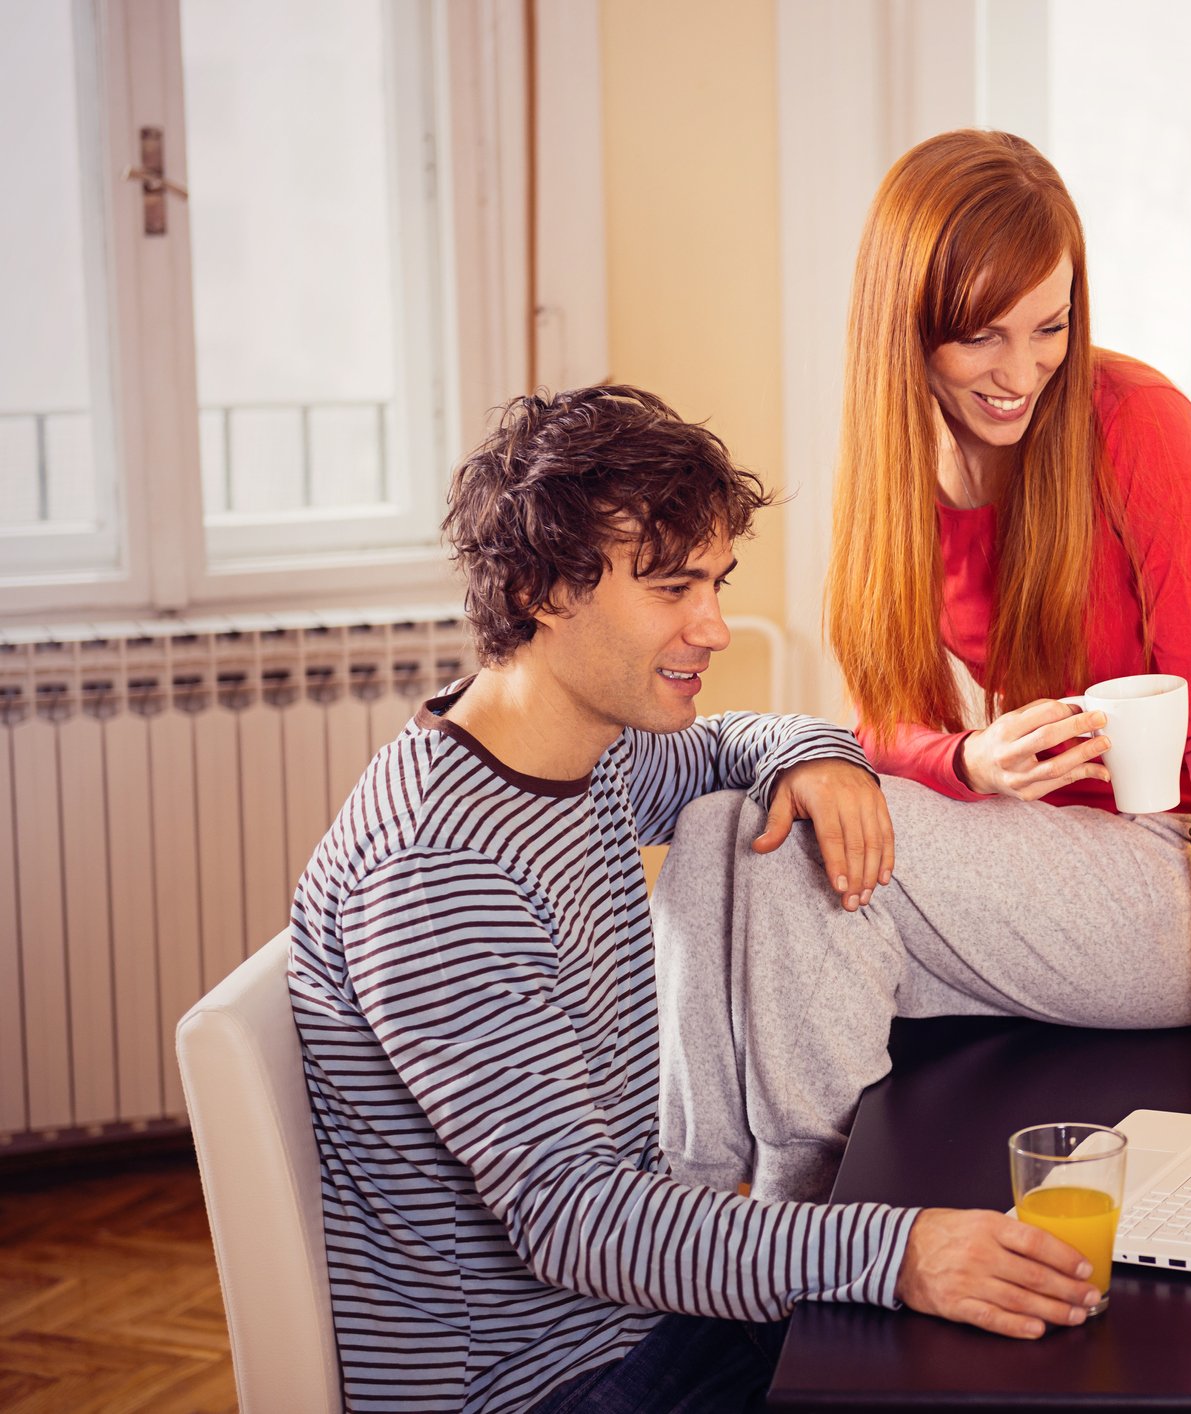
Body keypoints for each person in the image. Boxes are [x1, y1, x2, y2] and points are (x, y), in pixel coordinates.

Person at [287, 386, 1102, 1414]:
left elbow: (728, 745)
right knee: (956, 1351)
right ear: (542, 587)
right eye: (673, 588)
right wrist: (898, 1251)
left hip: (624, 1325)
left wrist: (817, 759)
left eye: (716, 581)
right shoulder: (438, 872)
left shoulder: (589, 752)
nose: (713, 627)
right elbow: (574, 1222)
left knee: (981, 1344)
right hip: (538, 1384)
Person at [653, 130, 1191, 1212]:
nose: (1020, 372)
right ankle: (695, 1204)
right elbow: (877, 725)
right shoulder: (893, 476)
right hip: (1050, 863)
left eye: (1050, 327)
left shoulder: (1138, 427)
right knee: (723, 829)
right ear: (910, 326)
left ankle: (792, 1231)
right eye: (981, 337)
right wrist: (967, 757)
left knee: (786, 836)